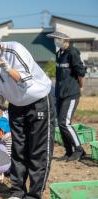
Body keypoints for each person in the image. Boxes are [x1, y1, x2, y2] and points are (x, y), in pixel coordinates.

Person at [0, 21, 55, 199]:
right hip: (16, 105)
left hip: (38, 100)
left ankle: (34, 193)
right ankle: (17, 191)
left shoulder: (14, 49)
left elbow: (26, 82)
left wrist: (7, 68)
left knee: (38, 150)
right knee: (18, 149)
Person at [47, 31, 87, 161]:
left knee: (65, 123)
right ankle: (68, 151)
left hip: (71, 93)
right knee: (60, 123)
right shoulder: (59, 53)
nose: (56, 41)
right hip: (60, 94)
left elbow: (81, 72)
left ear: (65, 40)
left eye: (58, 39)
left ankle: (79, 150)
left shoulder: (73, 52)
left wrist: (81, 87)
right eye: (55, 39)